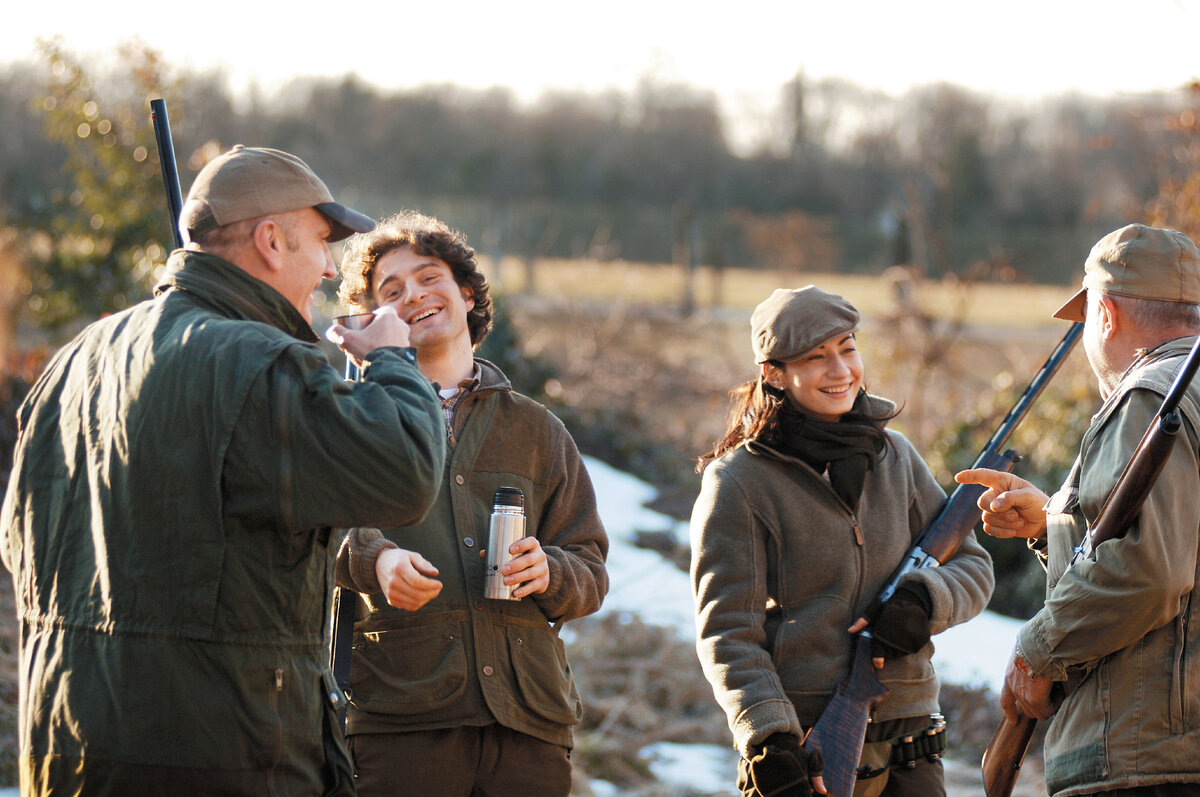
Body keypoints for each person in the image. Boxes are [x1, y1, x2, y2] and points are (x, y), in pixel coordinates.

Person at [0, 145, 448, 795]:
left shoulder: (73, 360)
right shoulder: (260, 362)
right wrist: (390, 360)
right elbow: (405, 469)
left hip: (66, 753)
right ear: (271, 240)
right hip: (223, 760)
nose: (329, 267)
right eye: (322, 243)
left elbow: (21, 544)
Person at [332, 210, 608, 796]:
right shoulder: (348, 418)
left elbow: (591, 569)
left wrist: (551, 571)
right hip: (400, 722)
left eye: (429, 278)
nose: (415, 297)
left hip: (529, 723)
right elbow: (312, 533)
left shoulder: (539, 431)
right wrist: (374, 559)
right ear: (374, 318)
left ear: (465, 292)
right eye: (392, 291)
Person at [690, 286, 994, 797]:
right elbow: (728, 633)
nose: (840, 371)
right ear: (774, 374)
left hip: (911, 741)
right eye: (815, 357)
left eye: (847, 348)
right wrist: (769, 737)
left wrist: (924, 600)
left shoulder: (895, 455)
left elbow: (973, 566)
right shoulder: (738, 481)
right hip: (804, 748)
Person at [958, 223, 1200, 797]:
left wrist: (1035, 651)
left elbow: (1150, 572)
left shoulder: (1152, 397)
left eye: (1087, 317)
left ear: (1108, 315)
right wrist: (1057, 522)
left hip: (1149, 756)